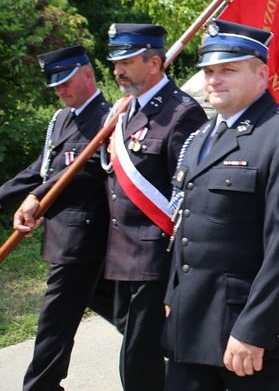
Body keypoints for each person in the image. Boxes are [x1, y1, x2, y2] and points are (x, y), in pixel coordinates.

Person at [162, 20, 279, 390]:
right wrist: (173, 295)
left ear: (262, 74)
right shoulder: (201, 136)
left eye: (228, 69)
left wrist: (254, 329)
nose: (214, 80)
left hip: (252, 330)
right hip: (191, 320)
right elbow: (185, 225)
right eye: (208, 71)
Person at [0, 45, 115, 391]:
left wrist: (36, 198)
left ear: (88, 74)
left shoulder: (108, 119)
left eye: (66, 82)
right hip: (64, 236)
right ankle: (174, 344)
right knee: (122, 309)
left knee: (55, 319)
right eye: (55, 85)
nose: (60, 90)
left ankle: (40, 387)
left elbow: (86, 170)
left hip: (83, 238)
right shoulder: (62, 118)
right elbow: (43, 170)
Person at [102, 23, 207, 391]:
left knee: (137, 352)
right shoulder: (123, 111)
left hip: (155, 251)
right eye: (115, 62)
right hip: (121, 251)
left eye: (127, 61)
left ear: (154, 63)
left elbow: (190, 191)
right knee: (138, 335)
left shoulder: (181, 112)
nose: (117, 70)